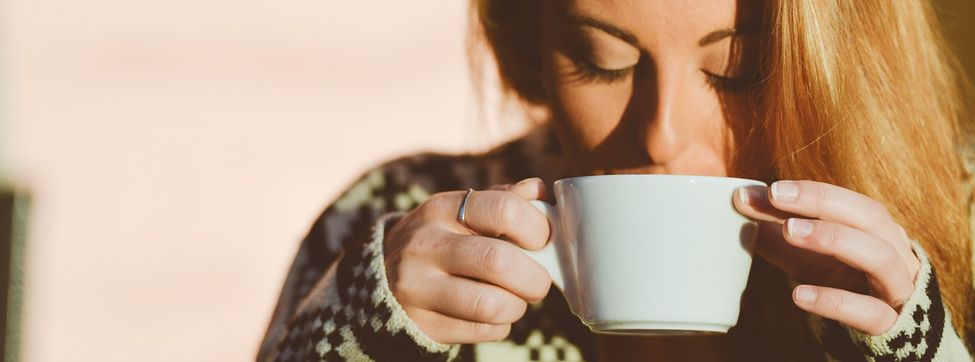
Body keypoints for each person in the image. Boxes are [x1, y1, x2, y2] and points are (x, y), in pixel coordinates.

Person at [258, 0, 975, 360]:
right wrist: (357, 337)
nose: (661, 133)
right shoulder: (394, 217)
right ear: (529, 48)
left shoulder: (958, 212)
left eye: (738, 70)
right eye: (602, 61)